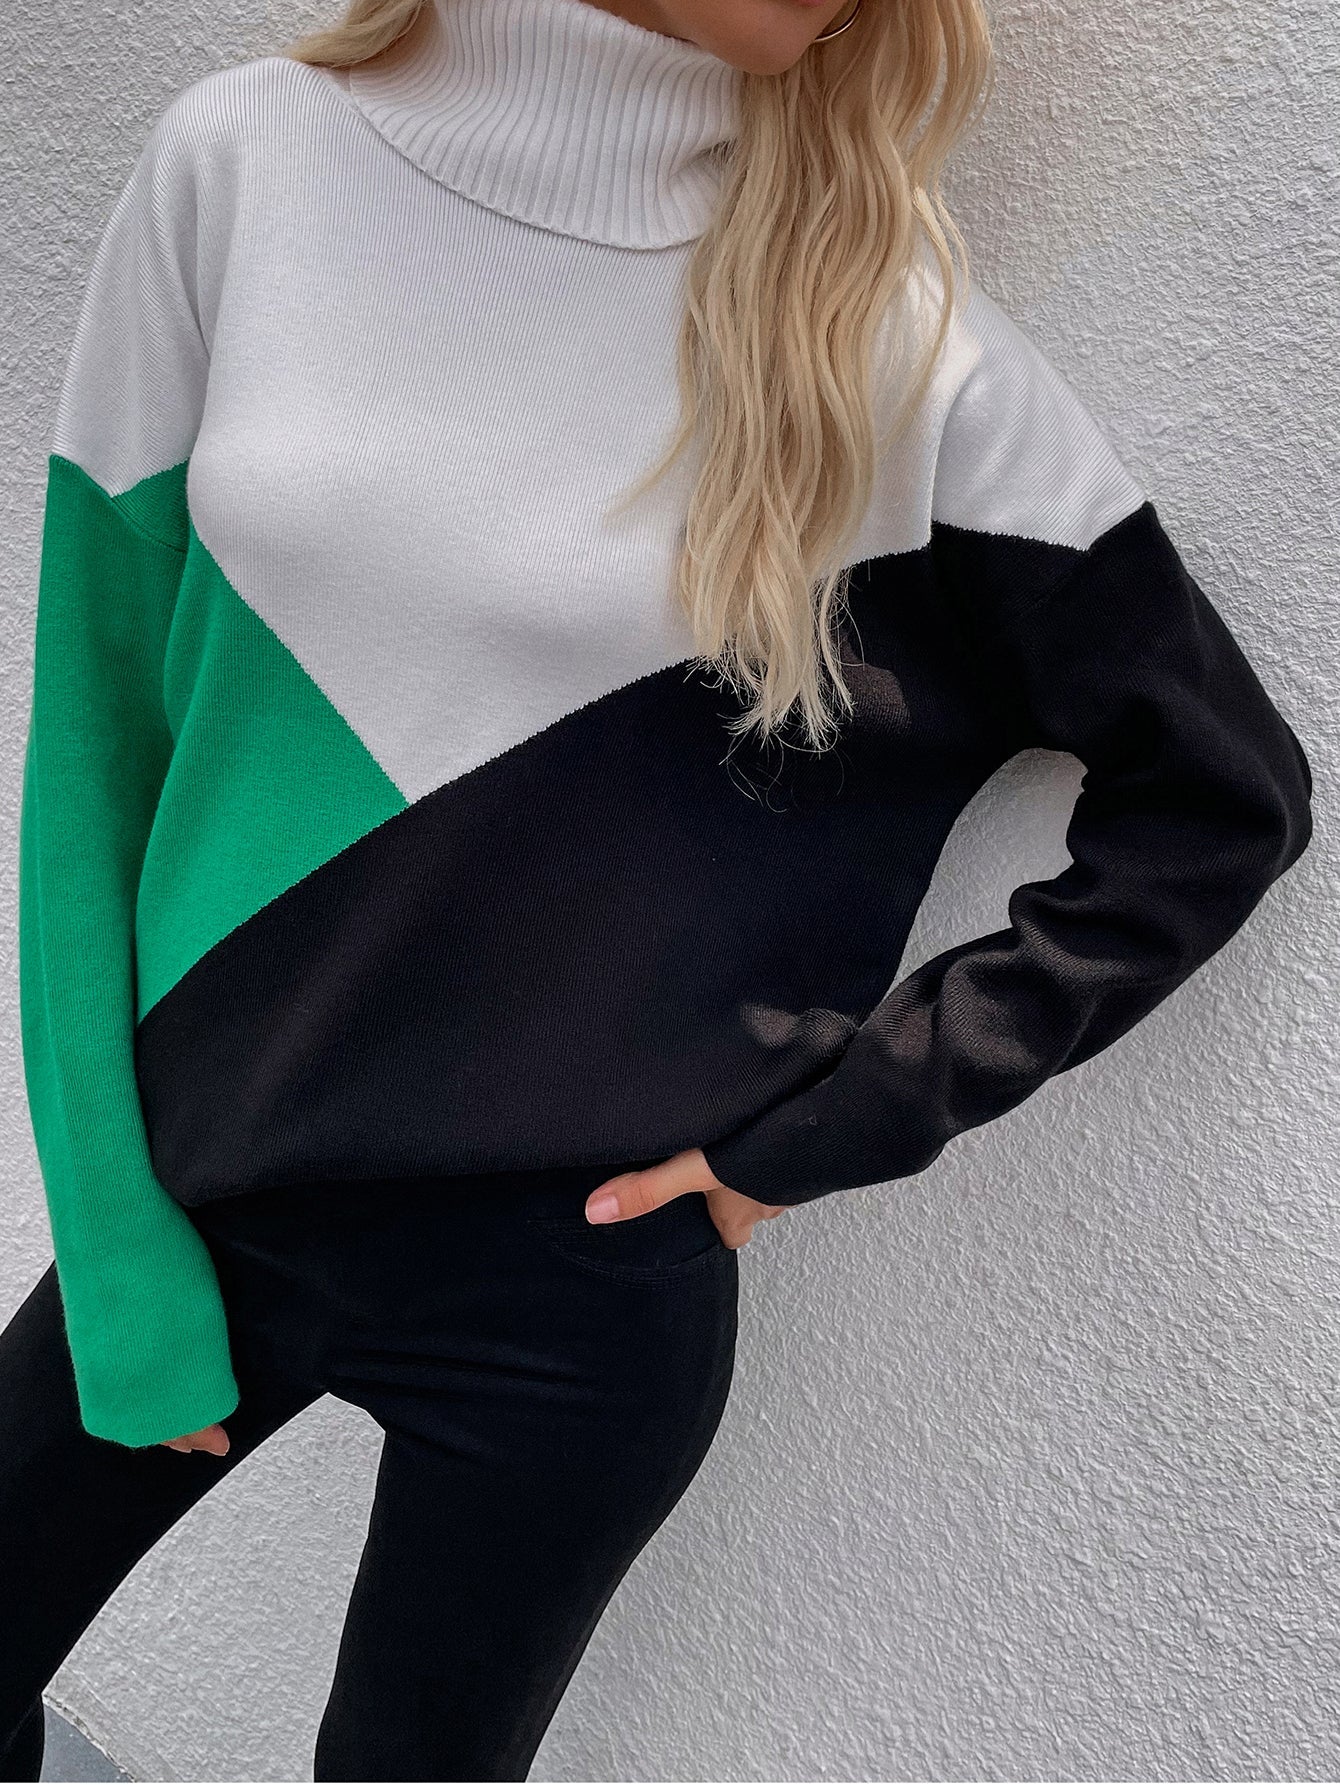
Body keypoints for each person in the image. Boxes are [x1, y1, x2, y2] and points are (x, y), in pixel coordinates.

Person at [0, 0, 1314, 1777]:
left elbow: (1221, 793)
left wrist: (842, 1119)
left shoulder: (880, 332)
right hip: (201, 1189)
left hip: (580, 1299)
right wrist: (113, 1240)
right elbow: (93, 746)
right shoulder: (245, 165)